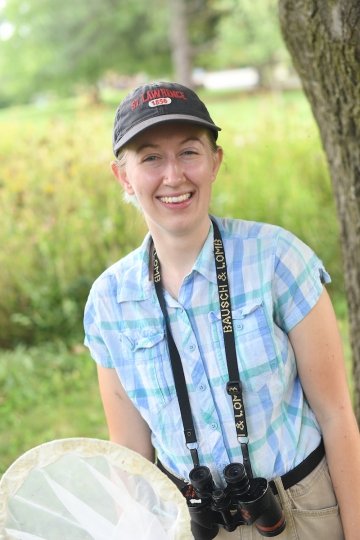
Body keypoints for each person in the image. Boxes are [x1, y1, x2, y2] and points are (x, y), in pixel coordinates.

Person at [83, 81, 360, 539]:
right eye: (151, 157)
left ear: (215, 162)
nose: (173, 176)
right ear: (123, 177)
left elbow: (337, 416)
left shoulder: (277, 258)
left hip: (305, 511)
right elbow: (130, 456)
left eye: (189, 152)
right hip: (192, 524)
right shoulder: (109, 302)